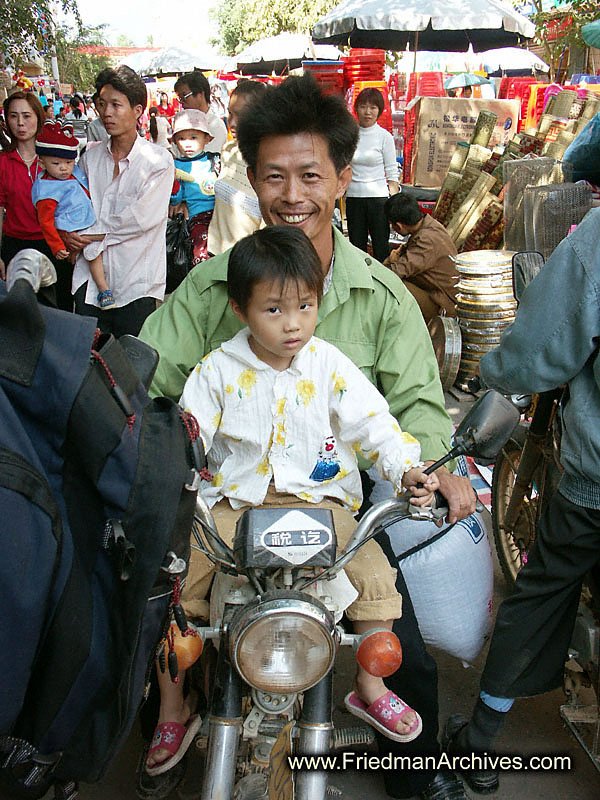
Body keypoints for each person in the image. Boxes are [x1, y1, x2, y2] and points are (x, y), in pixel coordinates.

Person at [139, 73, 476, 800]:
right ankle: (170, 721)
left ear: (344, 178)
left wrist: (435, 470)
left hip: (330, 508)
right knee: (159, 614)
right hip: (229, 504)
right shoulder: (213, 287)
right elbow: (154, 377)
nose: (292, 194)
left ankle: (417, 768)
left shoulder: (382, 295)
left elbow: (417, 405)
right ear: (252, 181)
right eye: (274, 176)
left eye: (310, 175)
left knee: (399, 639)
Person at [145, 224, 441, 775]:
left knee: (376, 578)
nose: (293, 324)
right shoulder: (217, 371)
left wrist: (407, 470)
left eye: (305, 306)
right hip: (235, 505)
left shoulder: (330, 365)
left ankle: (367, 683)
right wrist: (168, 470)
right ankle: (172, 704)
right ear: (239, 308)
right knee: (174, 590)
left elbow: (377, 425)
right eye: (275, 310)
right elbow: (190, 436)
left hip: (321, 504)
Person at [444, 207, 600, 794]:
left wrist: (498, 371)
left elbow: (542, 348)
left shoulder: (595, 241)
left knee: (542, 591)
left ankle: (479, 740)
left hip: (596, 479)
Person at [63, 65, 173, 337]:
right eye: (102, 104)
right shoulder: (90, 158)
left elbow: (140, 219)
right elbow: (75, 204)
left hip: (136, 282)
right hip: (89, 283)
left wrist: (87, 235)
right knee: (90, 363)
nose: (107, 113)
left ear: (137, 111)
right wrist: (68, 232)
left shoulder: (157, 162)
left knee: (132, 367)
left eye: (116, 105)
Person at [0, 91, 73, 310]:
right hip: (16, 247)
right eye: (13, 116)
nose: (20, 123)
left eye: (27, 115)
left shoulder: (58, 159)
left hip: (55, 246)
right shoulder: (3, 162)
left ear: (38, 118)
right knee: (23, 316)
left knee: (61, 313)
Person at [31, 120, 114, 308]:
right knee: (94, 250)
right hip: (73, 226)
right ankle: (104, 290)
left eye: (68, 162)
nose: (63, 167)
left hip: (84, 219)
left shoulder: (73, 172)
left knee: (94, 248)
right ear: (42, 162)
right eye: (56, 163)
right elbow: (45, 222)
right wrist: (56, 245)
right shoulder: (47, 189)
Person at [207, 78, 266, 255]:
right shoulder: (228, 150)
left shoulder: (270, 162)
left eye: (242, 115)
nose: (232, 122)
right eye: (231, 113)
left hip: (249, 263)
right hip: (215, 255)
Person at [383, 193, 459, 322]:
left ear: (398, 225)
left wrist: (390, 260)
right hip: (436, 292)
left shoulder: (426, 240)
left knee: (391, 286)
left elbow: (395, 272)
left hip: (443, 302)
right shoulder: (429, 225)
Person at [345, 87, 399, 265]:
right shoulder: (350, 134)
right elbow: (342, 165)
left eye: (373, 107)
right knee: (356, 247)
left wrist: (393, 198)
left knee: (380, 246)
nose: (368, 112)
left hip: (378, 200)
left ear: (379, 110)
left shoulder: (385, 137)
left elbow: (392, 171)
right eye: (363, 106)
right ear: (356, 109)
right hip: (354, 197)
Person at [168, 109, 219, 265]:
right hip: (198, 217)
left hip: (221, 214)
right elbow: (176, 198)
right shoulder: (175, 166)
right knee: (202, 251)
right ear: (175, 141)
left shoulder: (215, 160)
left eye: (194, 137)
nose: (187, 143)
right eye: (181, 138)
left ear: (206, 139)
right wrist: (174, 183)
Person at [174, 71, 227, 154]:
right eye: (180, 99)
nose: (182, 103)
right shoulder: (182, 124)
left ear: (201, 94)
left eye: (184, 97)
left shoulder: (215, 126)